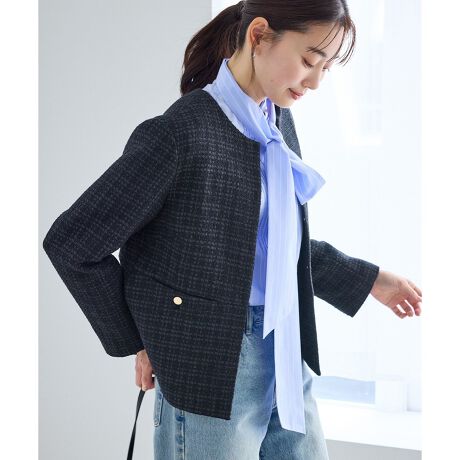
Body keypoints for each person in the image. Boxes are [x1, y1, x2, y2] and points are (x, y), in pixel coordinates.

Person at [43, 1, 423, 459]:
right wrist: (142, 341)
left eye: (326, 68)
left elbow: (273, 244)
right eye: (309, 60)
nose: (316, 82)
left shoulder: (276, 120)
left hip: (287, 351)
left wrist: (370, 280)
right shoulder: (179, 134)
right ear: (259, 34)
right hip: (209, 365)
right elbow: (72, 243)